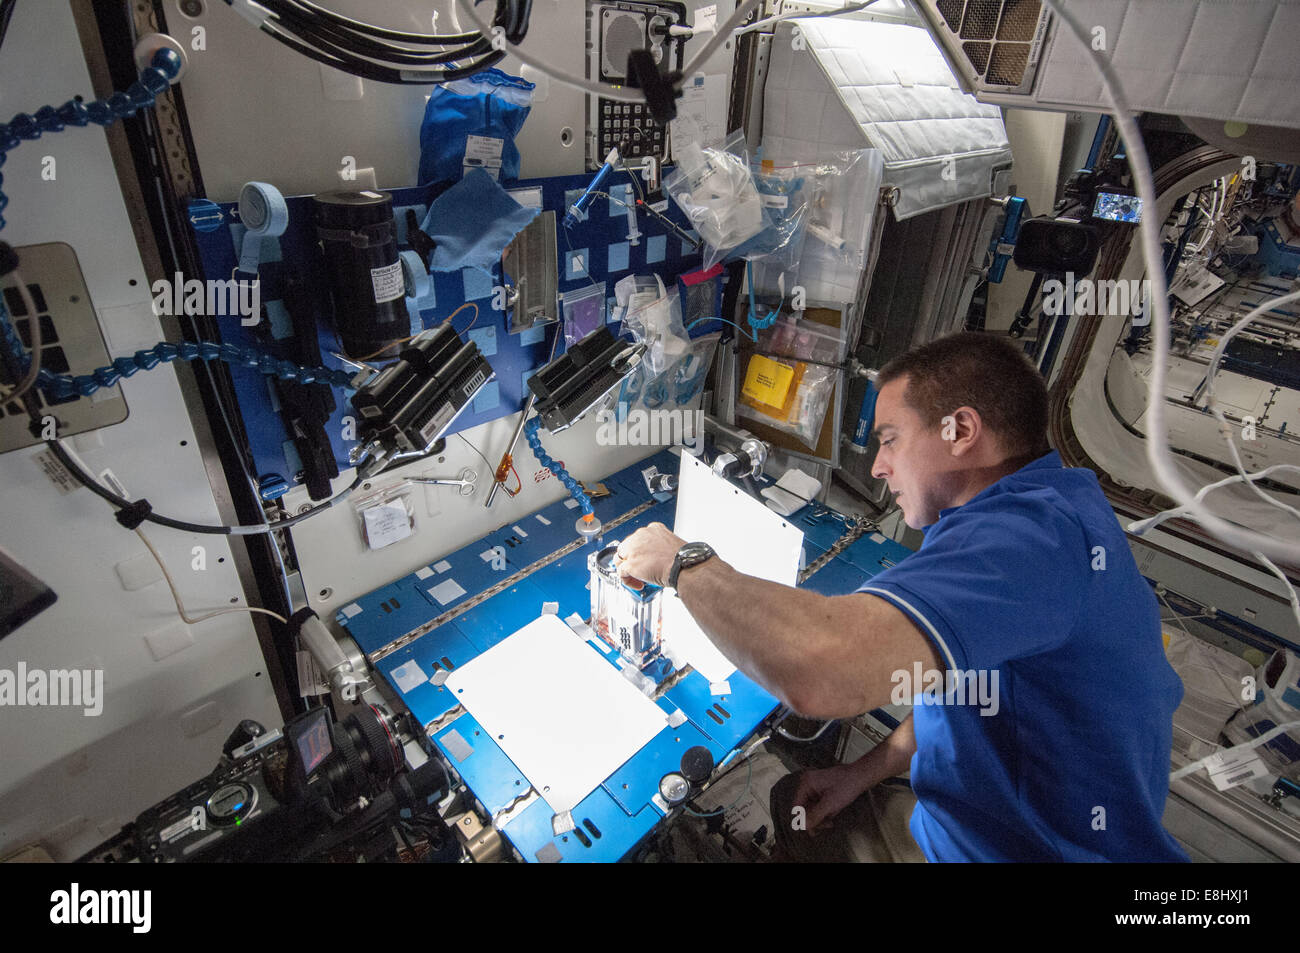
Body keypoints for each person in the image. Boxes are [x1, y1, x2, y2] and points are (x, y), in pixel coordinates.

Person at [614, 331, 1188, 862]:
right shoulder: (1040, 505)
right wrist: (861, 773)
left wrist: (680, 562)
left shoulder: (1029, 540)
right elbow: (967, 688)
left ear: (960, 432)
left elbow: (821, 673)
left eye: (890, 440)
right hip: (971, 817)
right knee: (796, 795)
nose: (878, 466)